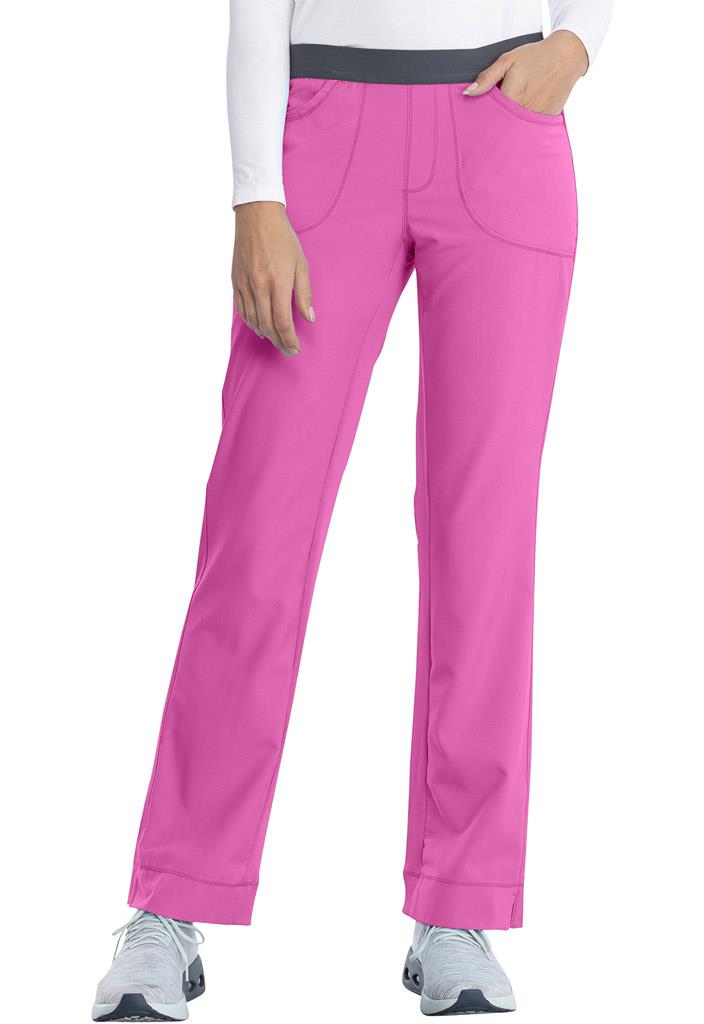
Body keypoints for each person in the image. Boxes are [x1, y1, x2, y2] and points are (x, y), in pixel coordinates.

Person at [92, 0, 613, 1019]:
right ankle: (173, 899)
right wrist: (256, 191)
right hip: (326, 127)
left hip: (504, 123)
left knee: (484, 543)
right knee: (257, 533)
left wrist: (576, 44)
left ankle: (460, 907)